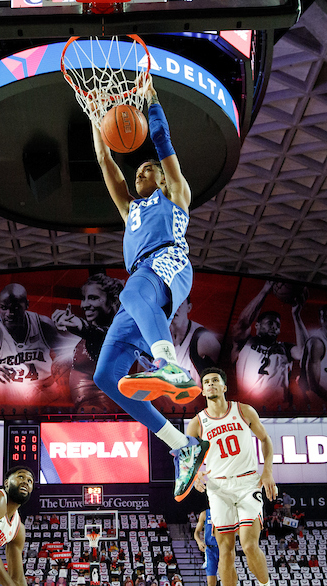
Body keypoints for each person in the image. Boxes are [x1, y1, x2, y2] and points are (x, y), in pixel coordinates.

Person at [89, 74, 209, 500]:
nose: (142, 169)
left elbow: (162, 142)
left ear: (162, 178)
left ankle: (169, 363)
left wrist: (152, 101)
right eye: (138, 167)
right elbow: (106, 163)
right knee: (106, 376)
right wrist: (95, 116)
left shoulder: (176, 193)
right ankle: (182, 445)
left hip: (170, 261)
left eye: (149, 168)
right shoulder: (130, 209)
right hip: (141, 281)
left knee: (132, 290)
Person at [188, 367, 281, 586]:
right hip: (218, 489)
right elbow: (187, 457)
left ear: (224, 386)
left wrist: (268, 472)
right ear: (202, 389)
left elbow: (265, 440)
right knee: (225, 550)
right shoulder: (197, 422)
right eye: (206, 382)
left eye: (216, 380)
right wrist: (194, 478)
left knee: (249, 543)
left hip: (247, 482)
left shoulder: (244, 411)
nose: (211, 384)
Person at [0, 283, 68, 408]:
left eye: (15, 308)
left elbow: (69, 355)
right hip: (8, 399)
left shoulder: (43, 324)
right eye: (4, 308)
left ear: (26, 305)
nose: (9, 313)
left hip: (45, 394)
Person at [52, 273, 125, 413]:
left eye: (93, 298)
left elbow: (100, 336)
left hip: (100, 413)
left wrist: (80, 326)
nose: (84, 305)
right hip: (85, 413)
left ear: (113, 301)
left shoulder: (115, 336)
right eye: (84, 299)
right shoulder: (93, 334)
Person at [230, 282, 305, 409]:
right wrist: (264, 292)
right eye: (270, 323)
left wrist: (296, 316)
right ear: (257, 325)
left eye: (278, 325)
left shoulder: (285, 348)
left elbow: (304, 352)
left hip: (278, 410)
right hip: (249, 409)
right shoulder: (245, 342)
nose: (275, 327)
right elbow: (242, 323)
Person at [193, 507, 220, 586]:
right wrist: (199, 542)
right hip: (210, 550)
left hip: (223, 549)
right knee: (211, 584)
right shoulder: (205, 514)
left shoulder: (224, 511)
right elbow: (196, 532)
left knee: (227, 579)